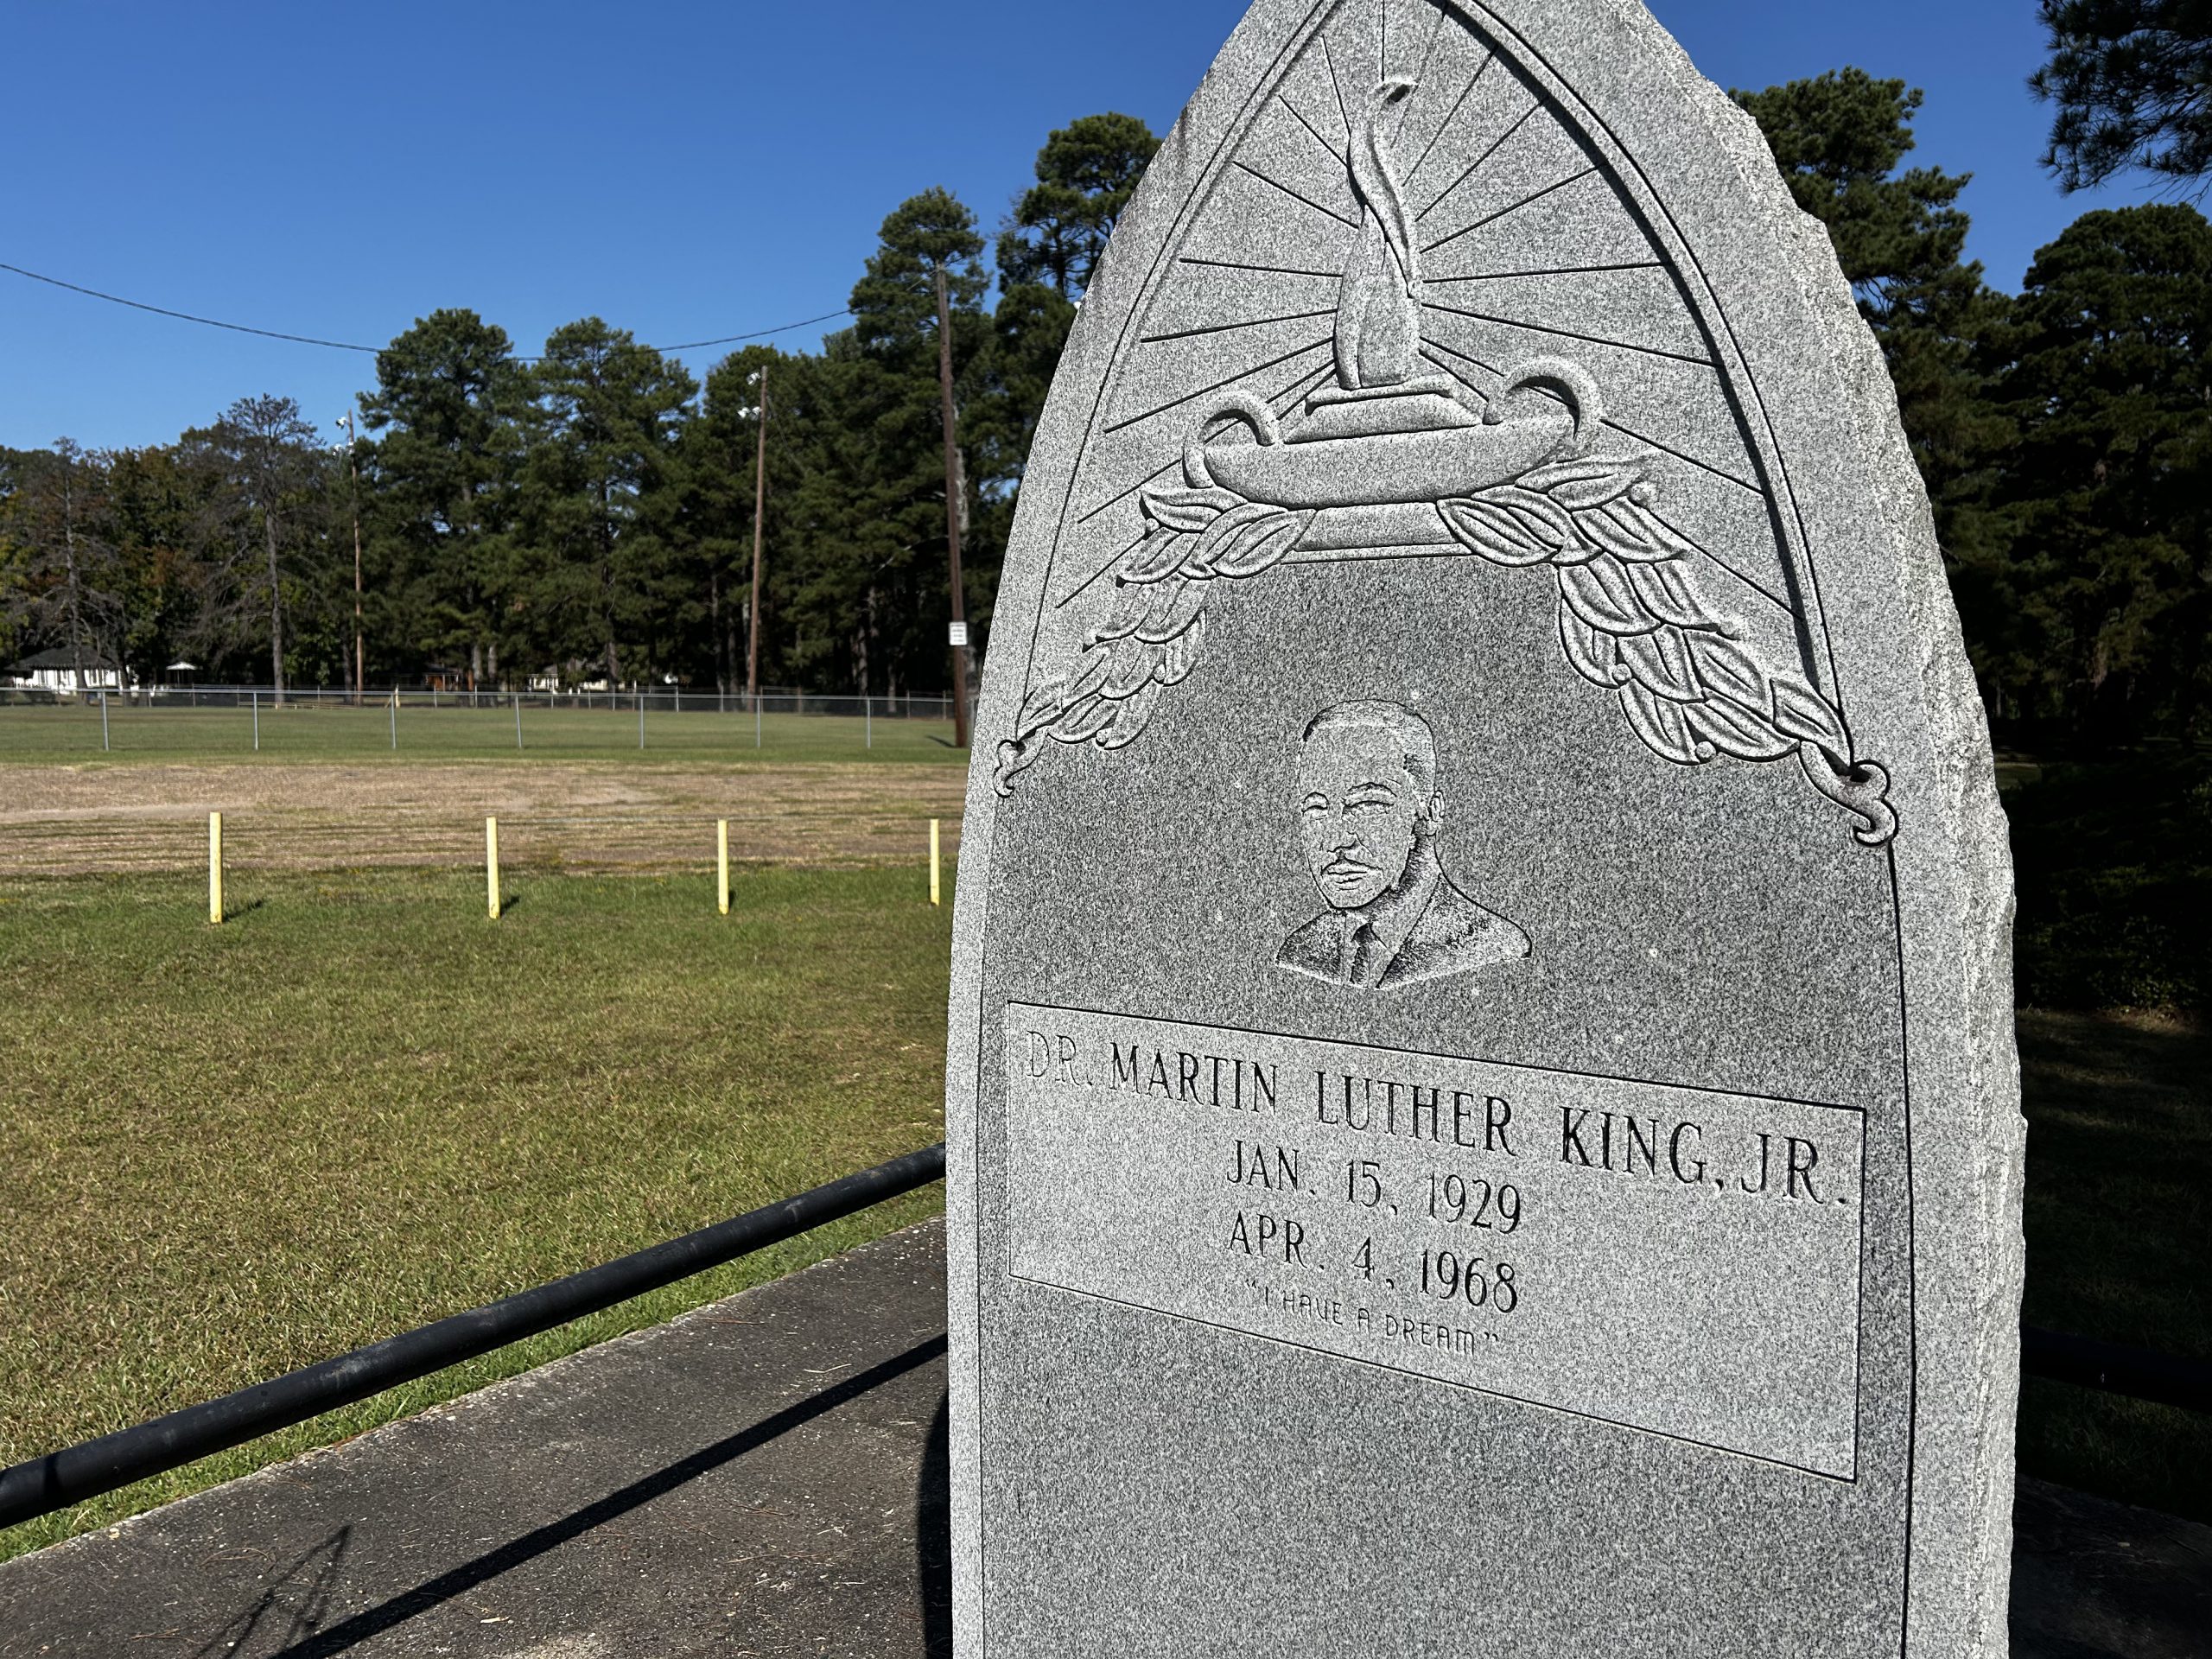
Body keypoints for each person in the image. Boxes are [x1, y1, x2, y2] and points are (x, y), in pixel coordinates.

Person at [1276, 700, 1529, 989]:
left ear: (1430, 813)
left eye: (1367, 804)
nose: (1335, 840)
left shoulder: (1492, 949)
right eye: (1316, 810)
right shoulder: (1301, 953)